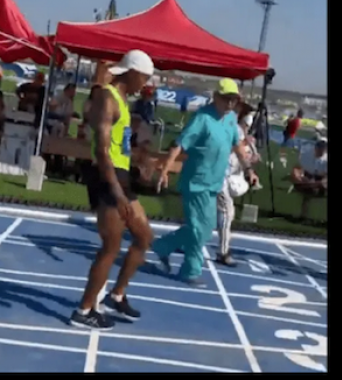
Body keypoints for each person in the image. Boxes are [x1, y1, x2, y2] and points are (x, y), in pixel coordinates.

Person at [70, 49, 155, 331]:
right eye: (144, 77)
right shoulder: (107, 98)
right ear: (131, 72)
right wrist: (117, 193)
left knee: (144, 237)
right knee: (111, 247)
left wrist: (140, 164)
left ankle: (116, 294)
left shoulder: (122, 100)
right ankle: (83, 311)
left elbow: (121, 147)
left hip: (120, 176)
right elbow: (103, 151)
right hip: (107, 178)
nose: (145, 84)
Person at [152, 78, 259, 288]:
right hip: (195, 182)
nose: (230, 103)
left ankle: (163, 245)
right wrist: (165, 170)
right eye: (227, 99)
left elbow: (237, 145)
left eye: (234, 100)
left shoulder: (230, 120)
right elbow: (179, 145)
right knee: (197, 229)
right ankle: (190, 270)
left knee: (206, 227)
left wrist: (248, 169)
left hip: (214, 183)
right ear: (216, 97)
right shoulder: (201, 119)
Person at [215, 111, 256, 267]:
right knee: (226, 212)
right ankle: (223, 252)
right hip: (217, 175)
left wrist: (249, 165)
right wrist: (243, 148)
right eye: (246, 125)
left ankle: (182, 242)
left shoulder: (224, 124)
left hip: (220, 175)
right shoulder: (234, 129)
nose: (247, 129)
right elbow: (232, 149)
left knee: (206, 214)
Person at [291, 137, 328, 220]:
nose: (321, 149)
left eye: (324, 147)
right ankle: (303, 215)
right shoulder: (306, 154)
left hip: (320, 183)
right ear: (316, 146)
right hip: (306, 179)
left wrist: (316, 183)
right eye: (320, 146)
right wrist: (299, 177)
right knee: (306, 191)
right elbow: (297, 168)